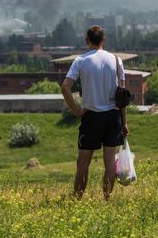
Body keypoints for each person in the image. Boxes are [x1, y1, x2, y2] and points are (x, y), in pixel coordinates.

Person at [61, 25, 129, 200]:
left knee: (83, 163)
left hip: (91, 116)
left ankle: (77, 200)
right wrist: (124, 122)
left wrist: (76, 110)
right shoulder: (116, 60)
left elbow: (65, 87)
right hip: (113, 117)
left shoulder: (80, 61)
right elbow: (122, 94)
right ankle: (106, 199)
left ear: (87, 41)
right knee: (109, 164)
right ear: (103, 40)